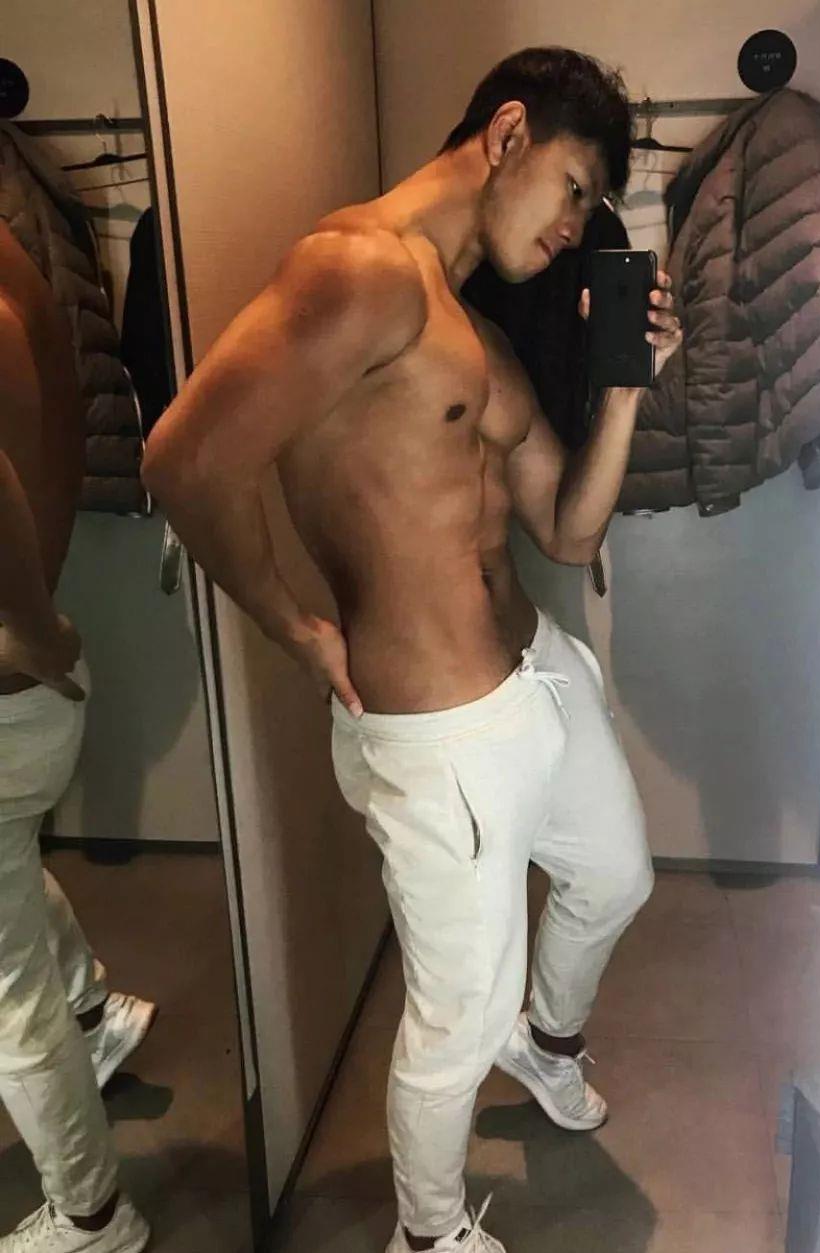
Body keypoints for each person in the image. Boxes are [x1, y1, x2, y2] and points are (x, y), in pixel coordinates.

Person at [142, 46, 682, 1253]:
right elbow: (185, 461)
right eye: (575, 188)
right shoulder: (358, 273)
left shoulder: (471, 328)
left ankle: (547, 1045)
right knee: (455, 1017)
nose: (576, 225)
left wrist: (628, 388)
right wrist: (295, 624)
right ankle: (430, 1234)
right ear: (507, 133)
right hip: (443, 733)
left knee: (615, 877)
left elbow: (567, 528)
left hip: (538, 673)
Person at [0, 219, 154, 1253]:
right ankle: (98, 1016)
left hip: (12, 680)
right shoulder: (14, 251)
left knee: (6, 998)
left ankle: (93, 1213)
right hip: (23, 687)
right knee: (10, 870)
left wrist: (31, 628)